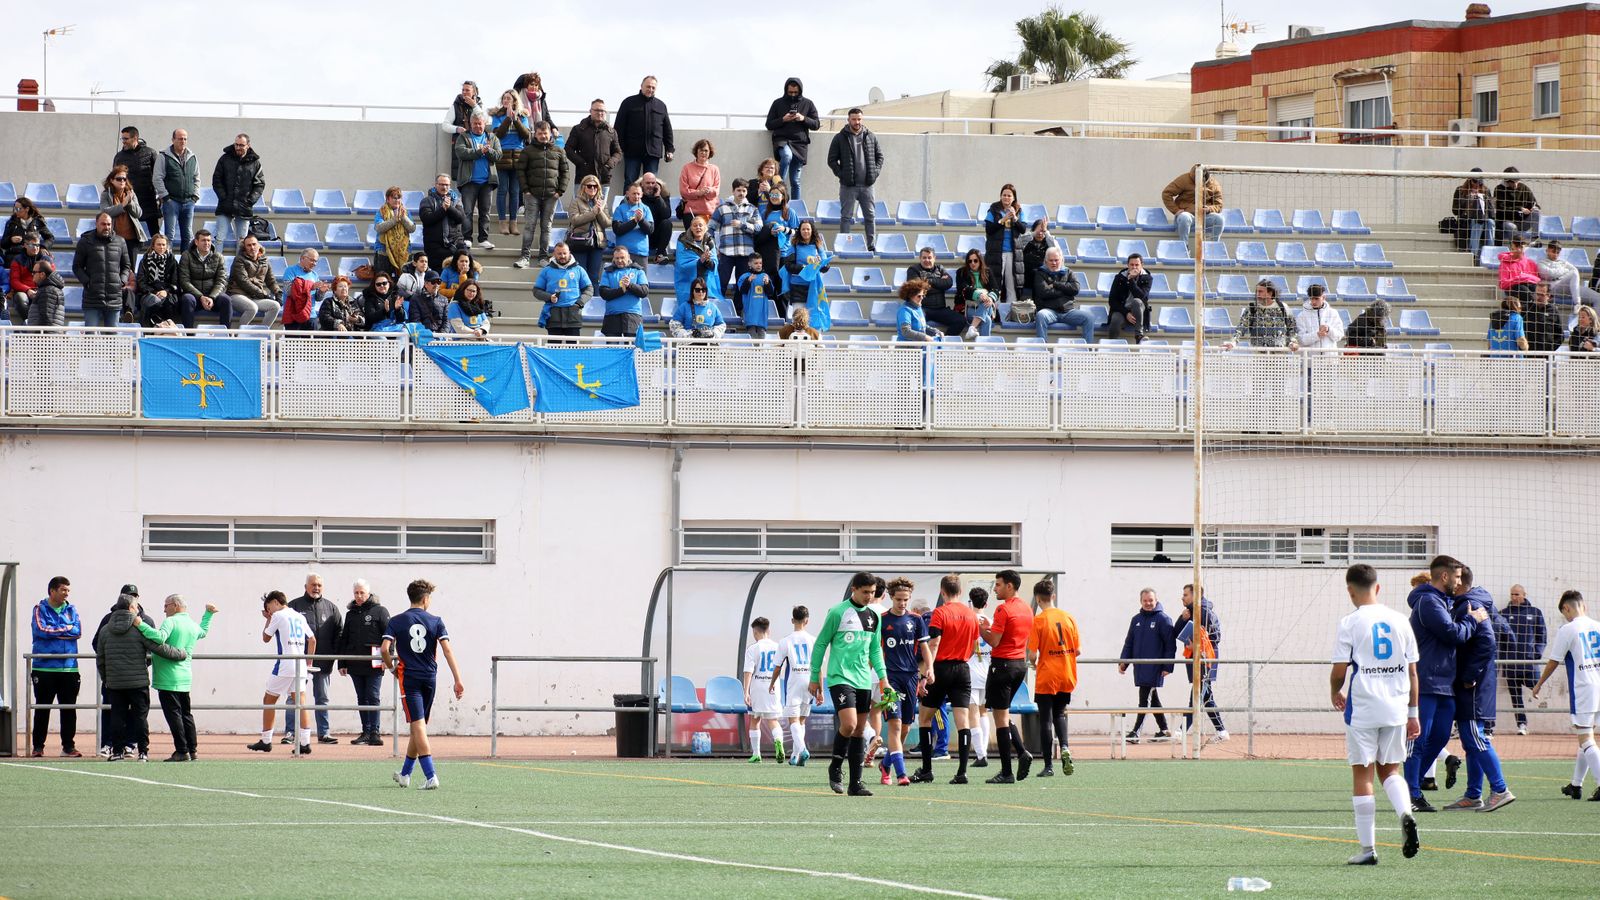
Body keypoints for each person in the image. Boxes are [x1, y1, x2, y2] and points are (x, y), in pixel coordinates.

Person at [1331, 563, 1422, 866]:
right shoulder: (1401, 620)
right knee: (1391, 771)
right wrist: (1413, 713)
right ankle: (1405, 813)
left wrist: (1334, 691)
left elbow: (1339, 670)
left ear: (1350, 591)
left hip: (1364, 708)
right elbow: (1413, 672)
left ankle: (1368, 850)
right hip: (1396, 708)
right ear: (1378, 588)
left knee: (1363, 773)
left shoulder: (1350, 622)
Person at [1403, 555, 1488, 812]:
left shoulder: (1444, 601)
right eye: (1457, 577)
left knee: (1440, 738)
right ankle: (1412, 794)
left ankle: (1410, 787)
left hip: (1445, 685)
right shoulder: (1429, 602)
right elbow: (1453, 634)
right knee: (1418, 740)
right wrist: (1473, 619)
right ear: (1444, 576)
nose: (1460, 582)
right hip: (1426, 683)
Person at [808, 572, 888, 796]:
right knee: (850, 724)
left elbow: (875, 649)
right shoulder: (837, 612)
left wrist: (883, 679)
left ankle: (856, 784)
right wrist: (814, 676)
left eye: (872, 592)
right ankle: (835, 766)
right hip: (840, 677)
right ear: (854, 589)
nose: (869, 596)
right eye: (865, 592)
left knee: (860, 730)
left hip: (863, 679)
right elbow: (821, 643)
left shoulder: (875, 615)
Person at [382, 579, 465, 790]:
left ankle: (430, 775)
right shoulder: (436, 621)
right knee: (418, 726)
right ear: (426, 599)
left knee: (417, 725)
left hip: (409, 678)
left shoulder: (397, 620)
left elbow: (384, 649)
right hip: (430, 677)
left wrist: (391, 668)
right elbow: (447, 650)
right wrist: (457, 679)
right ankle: (405, 774)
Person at [1444, 566, 1515, 812]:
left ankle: (1500, 789)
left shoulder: (1470, 604)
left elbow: (1487, 642)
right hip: (1474, 683)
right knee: (1470, 740)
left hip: (1474, 685)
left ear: (1459, 582)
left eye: (1453, 578)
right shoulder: (1470, 601)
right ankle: (1473, 794)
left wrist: (1469, 676)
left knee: (1475, 737)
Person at [96, 592, 187, 762]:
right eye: (136, 606)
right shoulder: (138, 629)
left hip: (115, 683)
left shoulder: (105, 630)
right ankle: (143, 752)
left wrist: (107, 679)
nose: (138, 610)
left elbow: (100, 659)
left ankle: (117, 752)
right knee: (140, 718)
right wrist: (180, 654)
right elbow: (159, 647)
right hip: (138, 683)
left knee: (117, 717)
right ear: (131, 608)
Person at [909, 578, 980, 784]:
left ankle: (926, 770)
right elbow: (975, 643)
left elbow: (934, 643)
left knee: (925, 718)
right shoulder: (971, 614)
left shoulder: (940, 612)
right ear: (961, 590)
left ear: (942, 591)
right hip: (963, 670)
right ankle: (962, 773)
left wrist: (926, 673)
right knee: (963, 721)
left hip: (941, 668)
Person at [1534, 591, 1600, 800]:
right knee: (1586, 736)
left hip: (1584, 689)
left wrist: (1539, 684)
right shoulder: (1598, 626)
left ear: (1566, 608)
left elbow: (1554, 661)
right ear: (1584, 605)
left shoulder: (1568, 629)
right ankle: (1576, 785)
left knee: (1586, 739)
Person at [134, 595, 215, 762]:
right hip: (185, 677)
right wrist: (208, 614)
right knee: (186, 714)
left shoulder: (170, 621)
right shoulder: (191, 624)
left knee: (174, 716)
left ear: (175, 605)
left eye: (166, 605)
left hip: (168, 678)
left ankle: (181, 750)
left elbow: (160, 637)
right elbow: (203, 632)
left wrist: (140, 624)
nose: (164, 609)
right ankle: (192, 750)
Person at [978, 570, 1033, 784]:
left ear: (1010, 586)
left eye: (998, 584)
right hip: (1019, 665)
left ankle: (1007, 771)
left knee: (1000, 720)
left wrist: (982, 629)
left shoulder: (1003, 609)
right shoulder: (1026, 608)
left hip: (1002, 666)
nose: (995, 588)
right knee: (1004, 714)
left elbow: (994, 641)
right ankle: (1021, 752)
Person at [875, 578, 930, 786]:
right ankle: (901, 774)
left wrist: (929, 669)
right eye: (899, 599)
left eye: (906, 599)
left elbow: (924, 648)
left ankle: (885, 764)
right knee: (895, 725)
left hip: (911, 678)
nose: (902, 603)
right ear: (891, 597)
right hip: (890, 679)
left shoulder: (916, 620)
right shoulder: (882, 620)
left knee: (905, 728)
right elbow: (874, 650)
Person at [248, 591, 315, 754]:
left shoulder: (278, 616)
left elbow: (266, 638)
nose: (269, 611)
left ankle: (266, 740)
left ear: (275, 602)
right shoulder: (299, 616)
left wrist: (268, 619)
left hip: (285, 664)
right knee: (301, 703)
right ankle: (305, 743)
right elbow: (312, 640)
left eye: (268, 607)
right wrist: (308, 663)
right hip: (300, 665)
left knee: (269, 700)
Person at [1027, 580, 1079, 777]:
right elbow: (1078, 650)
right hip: (1066, 673)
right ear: (1053, 596)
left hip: (1047, 675)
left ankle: (1048, 766)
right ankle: (1065, 746)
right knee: (1060, 713)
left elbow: (1032, 654)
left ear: (1038, 598)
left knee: (1045, 720)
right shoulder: (1068, 617)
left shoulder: (1039, 620)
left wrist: (1034, 662)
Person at [30, 576, 83, 758]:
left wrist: (56, 630)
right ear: (52, 591)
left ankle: (68, 747)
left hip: (69, 668)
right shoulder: (39, 609)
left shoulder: (72, 609)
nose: (66, 593)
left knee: (69, 709)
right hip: (44, 668)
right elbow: (41, 630)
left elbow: (77, 632)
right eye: (63, 590)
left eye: (68, 590)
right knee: (42, 708)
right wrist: (66, 629)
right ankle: (38, 746)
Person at [288, 573, 343, 746]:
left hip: (323, 662)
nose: (316, 588)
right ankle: (291, 733)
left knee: (322, 698)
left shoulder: (331, 608)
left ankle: (324, 733)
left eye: (319, 585)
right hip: (299, 662)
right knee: (294, 698)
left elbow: (339, 633)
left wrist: (332, 655)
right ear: (306, 587)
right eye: (313, 585)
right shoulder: (294, 606)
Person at [339, 579, 391, 746]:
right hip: (355, 663)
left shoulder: (380, 611)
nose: (359, 596)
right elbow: (344, 639)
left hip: (374, 662)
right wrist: (342, 663)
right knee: (361, 697)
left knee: (373, 696)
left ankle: (375, 732)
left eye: (362, 592)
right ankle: (366, 732)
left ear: (368, 593)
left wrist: (388, 657)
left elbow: (389, 636)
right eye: (356, 593)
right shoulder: (350, 614)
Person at [1119, 588, 1176, 742]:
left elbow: (1170, 645)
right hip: (1140, 667)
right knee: (1152, 698)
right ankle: (1164, 730)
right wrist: (1124, 662)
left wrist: (1168, 666)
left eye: (1151, 600)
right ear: (1141, 601)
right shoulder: (1136, 619)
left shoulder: (1163, 619)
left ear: (1156, 600)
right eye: (1145, 600)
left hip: (1155, 667)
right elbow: (1129, 643)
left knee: (1144, 699)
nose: (1148, 603)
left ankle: (1136, 732)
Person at [513, 120, 570, 269]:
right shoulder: (527, 150)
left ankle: (543, 257)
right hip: (532, 195)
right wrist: (526, 190)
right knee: (529, 226)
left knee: (547, 228)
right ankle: (524, 257)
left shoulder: (559, 151)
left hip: (551, 196)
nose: (543, 136)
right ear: (535, 135)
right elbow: (520, 171)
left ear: (550, 133)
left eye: (545, 133)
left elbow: (565, 172)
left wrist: (560, 191)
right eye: (540, 133)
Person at [1176, 584, 1227, 742]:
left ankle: (1181, 731)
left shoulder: (1205, 612)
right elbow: (1175, 633)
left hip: (1205, 661)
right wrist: (1182, 619)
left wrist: (1197, 646)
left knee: (1197, 695)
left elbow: (1215, 637)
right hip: (1195, 659)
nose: (1182, 598)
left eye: (1185, 595)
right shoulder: (1189, 613)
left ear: (1195, 595)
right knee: (1206, 696)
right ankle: (1222, 731)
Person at [828, 109, 883, 250]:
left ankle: (871, 246)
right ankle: (845, 246)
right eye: (854, 119)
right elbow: (831, 160)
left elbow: (880, 157)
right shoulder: (840, 138)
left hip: (867, 186)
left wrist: (875, 173)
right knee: (846, 217)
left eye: (859, 119)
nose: (857, 122)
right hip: (848, 186)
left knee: (870, 216)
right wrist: (842, 175)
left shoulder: (870, 136)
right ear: (848, 120)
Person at [769, 605, 816, 766]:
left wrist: (772, 683)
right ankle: (795, 756)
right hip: (810, 681)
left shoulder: (785, 641)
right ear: (807, 621)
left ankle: (802, 750)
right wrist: (820, 690)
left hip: (794, 682)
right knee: (801, 720)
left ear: (792, 620)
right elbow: (818, 666)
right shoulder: (813, 640)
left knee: (793, 720)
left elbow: (777, 667)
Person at [72, 212, 133, 328]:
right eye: (103, 224)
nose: (107, 227)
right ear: (96, 224)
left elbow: (126, 265)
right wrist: (88, 282)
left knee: (112, 336)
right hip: (92, 298)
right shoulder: (85, 242)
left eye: (109, 224)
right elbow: (77, 266)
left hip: (114, 298)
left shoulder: (120, 241)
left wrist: (122, 281)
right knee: (91, 335)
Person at [764, 78, 820, 201]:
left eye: (795, 92)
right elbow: (769, 124)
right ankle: (778, 184)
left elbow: (816, 124)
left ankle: (795, 206)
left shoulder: (808, 103)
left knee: (795, 180)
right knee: (786, 156)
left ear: (800, 91)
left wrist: (803, 118)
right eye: (790, 92)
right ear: (786, 90)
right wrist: (783, 119)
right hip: (782, 140)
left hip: (799, 144)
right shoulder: (778, 103)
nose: (793, 95)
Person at [1500, 584, 1546, 736]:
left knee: (1536, 684)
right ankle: (1522, 724)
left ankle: (1535, 690)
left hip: (1528, 663)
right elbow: (1499, 640)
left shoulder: (1535, 612)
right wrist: (1502, 659)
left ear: (1524, 595)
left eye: (1517, 594)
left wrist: (1536, 654)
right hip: (1510, 664)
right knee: (1516, 696)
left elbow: (1542, 635)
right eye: (1512, 594)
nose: (1514, 597)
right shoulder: (1503, 614)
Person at [453, 113, 502, 251]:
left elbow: (498, 155)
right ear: (470, 124)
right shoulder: (463, 137)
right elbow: (461, 153)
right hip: (469, 181)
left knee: (485, 212)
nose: (477, 126)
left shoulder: (492, 137)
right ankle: (467, 238)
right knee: (467, 211)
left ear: (484, 123)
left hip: (487, 181)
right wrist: (480, 151)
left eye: (480, 123)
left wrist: (488, 150)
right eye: (474, 123)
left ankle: (483, 239)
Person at [615, 77, 674, 187]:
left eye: (653, 87)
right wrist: (619, 149)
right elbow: (619, 127)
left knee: (651, 184)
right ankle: (628, 199)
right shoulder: (628, 103)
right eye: (648, 86)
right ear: (641, 86)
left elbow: (667, 129)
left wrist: (669, 149)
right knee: (630, 182)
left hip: (653, 152)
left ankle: (649, 200)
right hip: (632, 151)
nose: (650, 89)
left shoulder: (661, 105)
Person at [742, 617, 785, 764]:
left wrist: (746, 692)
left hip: (758, 688)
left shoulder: (753, 648)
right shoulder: (778, 647)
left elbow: (748, 671)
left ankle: (756, 754)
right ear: (769, 630)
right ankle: (778, 741)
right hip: (773, 687)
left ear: (755, 632)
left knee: (755, 719)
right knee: (773, 720)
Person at [212, 133, 264, 248]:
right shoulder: (224, 159)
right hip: (225, 205)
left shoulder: (255, 162)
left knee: (242, 241)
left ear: (248, 145)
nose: (238, 147)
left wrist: (250, 201)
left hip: (244, 207)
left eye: (241, 145)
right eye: (236, 144)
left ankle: (240, 261)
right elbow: (216, 180)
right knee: (219, 238)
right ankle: (216, 260)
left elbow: (259, 184)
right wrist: (223, 197)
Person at [489, 90, 531, 237]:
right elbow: (498, 135)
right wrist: (507, 119)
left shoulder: (523, 116)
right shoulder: (497, 116)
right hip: (503, 155)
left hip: (518, 156)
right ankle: (502, 222)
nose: (506, 100)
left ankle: (513, 222)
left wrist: (515, 120)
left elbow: (526, 135)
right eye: (504, 98)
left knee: (515, 191)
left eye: (509, 98)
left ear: (514, 101)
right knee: (502, 190)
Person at [711, 179, 758, 304]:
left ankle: (738, 310)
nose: (741, 193)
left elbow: (759, 227)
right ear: (733, 191)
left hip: (745, 253)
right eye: (738, 190)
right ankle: (718, 310)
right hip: (726, 252)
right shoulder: (722, 208)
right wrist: (713, 247)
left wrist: (742, 225)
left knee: (742, 285)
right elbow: (710, 228)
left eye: (744, 190)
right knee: (721, 283)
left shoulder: (752, 209)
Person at [153, 129, 200, 252]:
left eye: (185, 139)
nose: (182, 141)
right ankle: (168, 260)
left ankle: (185, 261)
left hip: (189, 202)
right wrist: (165, 197)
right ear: (173, 140)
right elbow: (157, 178)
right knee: (170, 236)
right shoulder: (163, 156)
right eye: (179, 139)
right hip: (171, 201)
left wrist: (195, 196)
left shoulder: (192, 157)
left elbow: (196, 178)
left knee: (188, 236)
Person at [532, 242, 592, 337]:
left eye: (564, 253)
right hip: (553, 315)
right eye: (559, 254)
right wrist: (549, 297)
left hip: (573, 315)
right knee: (554, 345)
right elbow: (536, 291)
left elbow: (589, 289)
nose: (562, 256)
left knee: (573, 346)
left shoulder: (579, 270)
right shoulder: (546, 271)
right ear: (554, 254)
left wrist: (579, 303)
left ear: (569, 253)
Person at [114, 125, 161, 244]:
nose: (123, 141)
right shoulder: (119, 156)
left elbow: (158, 175)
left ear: (135, 138)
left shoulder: (150, 153)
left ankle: (159, 252)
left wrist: (160, 195)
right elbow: (115, 178)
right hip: (129, 200)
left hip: (148, 199)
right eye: (122, 139)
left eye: (126, 139)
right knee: (130, 234)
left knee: (155, 234)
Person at [755, 185, 800, 309]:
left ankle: (782, 316)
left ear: (783, 196)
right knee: (769, 285)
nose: (774, 197)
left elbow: (797, 232)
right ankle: (769, 314)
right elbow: (758, 232)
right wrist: (769, 231)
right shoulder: (764, 213)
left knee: (782, 287)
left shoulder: (790, 212)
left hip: (784, 254)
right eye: (772, 194)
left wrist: (784, 229)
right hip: (769, 255)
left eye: (777, 194)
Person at [1034, 247, 1092, 342]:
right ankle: (1042, 348)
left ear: (1061, 260)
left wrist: (1056, 284)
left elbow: (1075, 289)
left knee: (1089, 317)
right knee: (1040, 315)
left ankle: (1087, 349)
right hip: (1049, 311)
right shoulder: (1040, 273)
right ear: (1046, 261)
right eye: (1051, 260)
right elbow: (1043, 293)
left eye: (1056, 260)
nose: (1054, 263)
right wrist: (1065, 292)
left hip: (1068, 311)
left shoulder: (1069, 272)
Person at [566, 99, 624, 194]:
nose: (600, 113)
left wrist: (609, 165)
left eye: (602, 111)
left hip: (603, 179)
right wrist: (582, 163)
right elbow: (568, 149)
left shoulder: (611, 132)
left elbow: (618, 153)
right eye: (597, 110)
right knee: (580, 204)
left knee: (600, 204)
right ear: (590, 111)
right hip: (583, 178)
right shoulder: (578, 129)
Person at [224, 234, 282, 328]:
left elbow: (271, 281)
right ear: (245, 247)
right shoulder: (239, 259)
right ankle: (241, 334)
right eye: (249, 245)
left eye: (254, 244)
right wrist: (264, 295)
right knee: (252, 308)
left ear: (258, 245)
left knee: (275, 306)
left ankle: (262, 334)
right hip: (237, 294)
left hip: (255, 297)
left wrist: (278, 293)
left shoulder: (265, 260)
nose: (252, 247)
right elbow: (244, 282)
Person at [782, 220, 831, 331]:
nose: (806, 231)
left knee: (814, 318)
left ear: (812, 230)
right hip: (798, 287)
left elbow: (826, 267)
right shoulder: (794, 246)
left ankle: (814, 340)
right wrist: (804, 268)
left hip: (813, 287)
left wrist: (820, 264)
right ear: (799, 231)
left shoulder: (818, 246)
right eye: (803, 229)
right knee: (798, 320)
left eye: (808, 229)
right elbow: (788, 265)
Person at [1224, 279, 1298, 350]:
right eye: (1256, 291)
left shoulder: (1283, 307)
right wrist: (1233, 342)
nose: (1257, 294)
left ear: (1270, 293)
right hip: (1258, 353)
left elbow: (1292, 327)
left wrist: (1293, 341)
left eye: (1260, 291)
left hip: (1280, 353)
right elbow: (1241, 327)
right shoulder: (1252, 308)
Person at [177, 229, 230, 328]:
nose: (207, 243)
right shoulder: (186, 255)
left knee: (226, 300)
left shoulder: (218, 257)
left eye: (209, 240)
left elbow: (221, 281)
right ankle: (188, 334)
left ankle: (225, 334)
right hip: (195, 297)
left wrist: (211, 297)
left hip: (212, 297)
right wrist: (201, 297)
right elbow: (184, 281)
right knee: (187, 299)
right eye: (203, 240)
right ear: (196, 242)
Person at [902, 247, 960, 338]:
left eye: (929, 257)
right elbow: (917, 288)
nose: (927, 260)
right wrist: (939, 284)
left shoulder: (940, 268)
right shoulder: (913, 269)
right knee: (916, 324)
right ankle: (925, 343)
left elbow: (948, 283)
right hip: (923, 309)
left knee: (960, 320)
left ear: (934, 258)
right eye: (924, 258)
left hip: (940, 309)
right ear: (920, 258)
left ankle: (943, 341)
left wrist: (929, 281)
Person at [983, 184, 1026, 305]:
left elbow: (1023, 229)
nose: (1006, 198)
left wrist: (1015, 218)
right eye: (1004, 195)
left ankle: (1011, 307)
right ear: (1000, 196)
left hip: (1013, 252)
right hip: (997, 252)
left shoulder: (1019, 210)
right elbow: (989, 230)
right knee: (996, 281)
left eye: (1009, 195)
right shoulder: (993, 209)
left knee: (1011, 281)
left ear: (1014, 198)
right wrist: (1003, 219)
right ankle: (994, 307)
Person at [565, 175, 611, 287]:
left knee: (594, 276)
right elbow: (575, 220)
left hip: (597, 243)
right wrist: (593, 213)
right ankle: (582, 298)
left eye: (595, 186)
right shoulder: (576, 202)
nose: (593, 188)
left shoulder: (601, 202)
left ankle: (595, 297)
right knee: (581, 275)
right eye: (589, 186)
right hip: (580, 241)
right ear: (583, 187)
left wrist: (599, 211)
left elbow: (607, 223)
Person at [1163, 166, 1224, 249]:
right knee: (1184, 217)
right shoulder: (1184, 179)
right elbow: (1166, 193)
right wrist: (1176, 210)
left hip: (1204, 217)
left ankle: (1213, 247)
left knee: (1219, 219)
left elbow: (1219, 205)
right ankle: (1184, 247)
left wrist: (1209, 209)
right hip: (1187, 215)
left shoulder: (1214, 184)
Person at [966, 585, 993, 768]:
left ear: (970, 601)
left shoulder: (968, 619)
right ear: (986, 603)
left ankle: (981, 754)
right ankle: (983, 752)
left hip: (971, 671)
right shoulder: (991, 621)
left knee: (973, 712)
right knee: (984, 712)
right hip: (987, 672)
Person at [597, 245, 649, 338]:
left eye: (622, 257)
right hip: (612, 315)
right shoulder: (607, 272)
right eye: (617, 258)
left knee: (631, 346)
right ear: (613, 258)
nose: (619, 260)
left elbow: (644, 291)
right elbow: (604, 293)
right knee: (612, 346)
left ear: (628, 257)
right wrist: (622, 290)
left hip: (632, 315)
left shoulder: (638, 271)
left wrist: (629, 285)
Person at [419, 174, 466, 269]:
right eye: (441, 184)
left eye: (447, 185)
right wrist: (443, 209)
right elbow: (427, 220)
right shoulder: (427, 201)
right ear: (436, 185)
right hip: (435, 245)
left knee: (467, 263)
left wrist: (449, 208)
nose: (444, 187)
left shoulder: (456, 200)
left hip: (455, 242)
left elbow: (461, 218)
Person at [135, 233, 180, 328]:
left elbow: (175, 283)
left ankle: (168, 330)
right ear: (153, 246)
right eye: (159, 244)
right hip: (148, 293)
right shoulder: (144, 261)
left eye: (163, 245)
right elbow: (141, 282)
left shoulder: (172, 261)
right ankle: (146, 330)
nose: (161, 247)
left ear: (167, 246)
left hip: (167, 293)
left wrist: (166, 292)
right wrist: (154, 292)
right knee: (152, 301)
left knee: (168, 303)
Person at [1537, 241, 1600, 307]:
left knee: (1598, 297)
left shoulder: (1563, 262)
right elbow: (1551, 274)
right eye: (1553, 252)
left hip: (1571, 288)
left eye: (1557, 253)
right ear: (1547, 250)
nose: (1555, 255)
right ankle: (1577, 304)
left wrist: (1562, 273)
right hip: (1553, 288)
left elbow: (1575, 269)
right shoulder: (1541, 263)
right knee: (1573, 273)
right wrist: (1566, 271)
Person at [99, 165, 146, 254]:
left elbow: (138, 213)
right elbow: (105, 212)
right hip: (114, 239)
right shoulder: (106, 195)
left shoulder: (130, 193)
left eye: (124, 179)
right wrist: (122, 205)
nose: (122, 181)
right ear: (112, 180)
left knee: (131, 263)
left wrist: (129, 202)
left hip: (132, 239)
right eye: (119, 179)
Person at [1107, 253, 1153, 342]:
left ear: (1141, 265)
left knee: (1137, 301)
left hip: (1139, 310)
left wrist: (1131, 280)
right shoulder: (1119, 278)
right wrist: (1126, 313)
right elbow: (1112, 301)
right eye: (1132, 265)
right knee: (1115, 319)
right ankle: (1111, 344)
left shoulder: (1147, 278)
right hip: (1122, 310)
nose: (1134, 267)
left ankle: (1139, 335)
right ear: (1128, 265)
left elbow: (1142, 296)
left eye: (1137, 265)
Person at [372, 186, 416, 278]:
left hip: (403, 252)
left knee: (403, 282)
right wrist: (394, 220)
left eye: (398, 197)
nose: (397, 200)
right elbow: (379, 228)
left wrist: (403, 217)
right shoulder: (382, 211)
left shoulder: (405, 212)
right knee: (384, 280)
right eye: (394, 197)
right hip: (384, 252)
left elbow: (412, 228)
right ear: (388, 199)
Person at [279, 247, 327, 332]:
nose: (314, 264)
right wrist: (310, 286)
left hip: (311, 316)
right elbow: (289, 291)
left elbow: (318, 298)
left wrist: (321, 291)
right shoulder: (290, 271)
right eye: (312, 260)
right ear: (302, 258)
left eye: (316, 261)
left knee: (312, 341)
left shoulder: (315, 275)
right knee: (293, 341)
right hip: (294, 315)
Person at [677, 139, 721, 230]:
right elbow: (683, 191)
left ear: (710, 152)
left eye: (706, 150)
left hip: (710, 212)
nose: (703, 153)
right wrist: (698, 193)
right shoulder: (687, 168)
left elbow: (716, 191)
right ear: (696, 151)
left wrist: (708, 190)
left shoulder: (714, 169)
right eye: (701, 150)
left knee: (708, 238)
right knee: (691, 238)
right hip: (691, 212)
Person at [1450, 169, 1494, 256]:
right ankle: (1474, 254)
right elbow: (1455, 210)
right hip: (1466, 221)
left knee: (1490, 222)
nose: (1477, 185)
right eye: (1475, 182)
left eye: (1479, 183)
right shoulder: (1460, 190)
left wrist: (1483, 200)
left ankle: (1490, 253)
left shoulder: (1486, 190)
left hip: (1483, 219)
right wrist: (1469, 200)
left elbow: (1491, 211)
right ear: (1469, 180)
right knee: (1477, 223)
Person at [1493, 166, 1540, 245]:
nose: (1515, 184)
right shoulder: (1499, 189)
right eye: (1513, 182)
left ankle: (1533, 240)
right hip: (1507, 221)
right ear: (1507, 181)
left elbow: (1534, 203)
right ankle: (1517, 245)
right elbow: (1501, 210)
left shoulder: (1524, 187)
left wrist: (1533, 208)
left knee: (1536, 212)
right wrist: (1519, 209)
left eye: (1517, 181)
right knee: (1511, 227)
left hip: (1522, 221)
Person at [612, 180, 655, 265]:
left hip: (641, 252)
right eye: (634, 193)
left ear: (642, 194)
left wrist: (641, 220)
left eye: (638, 194)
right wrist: (634, 221)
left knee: (641, 274)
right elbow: (617, 229)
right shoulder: (620, 209)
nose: (636, 196)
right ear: (627, 194)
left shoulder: (646, 209)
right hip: (623, 254)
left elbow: (650, 230)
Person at [3, 198, 55, 265]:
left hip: (34, 254)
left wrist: (42, 247)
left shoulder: (37, 222)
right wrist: (11, 240)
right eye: (14, 209)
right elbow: (3, 244)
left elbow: (50, 238)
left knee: (46, 259)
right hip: (16, 254)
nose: (15, 211)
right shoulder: (11, 223)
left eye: (18, 209)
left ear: (27, 209)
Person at [735, 254, 776, 339]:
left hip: (762, 313)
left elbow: (771, 293)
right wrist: (748, 281)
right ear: (749, 264)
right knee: (752, 336)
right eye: (756, 263)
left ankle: (761, 348)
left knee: (762, 336)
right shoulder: (745, 276)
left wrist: (767, 284)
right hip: (750, 312)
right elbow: (742, 291)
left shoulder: (765, 276)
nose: (759, 265)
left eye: (760, 263)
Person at [639, 172, 674, 265]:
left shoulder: (663, 196)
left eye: (653, 183)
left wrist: (658, 197)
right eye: (648, 183)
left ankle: (660, 254)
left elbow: (666, 215)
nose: (651, 185)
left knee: (667, 223)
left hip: (656, 235)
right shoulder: (636, 195)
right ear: (642, 184)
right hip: (641, 234)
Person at [1296, 283, 1345, 350]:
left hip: (1329, 355)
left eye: (1317, 299)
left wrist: (1329, 330)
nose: (1313, 302)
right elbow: (1301, 340)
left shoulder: (1333, 313)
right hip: (1311, 356)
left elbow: (1339, 335)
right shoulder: (1302, 316)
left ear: (1323, 297)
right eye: (1311, 299)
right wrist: (1317, 335)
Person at [24, 257, 67, 327]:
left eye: (34, 272)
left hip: (44, 333)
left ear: (42, 274)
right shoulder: (48, 289)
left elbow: (46, 319)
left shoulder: (47, 291)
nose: (32, 274)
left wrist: (39, 333)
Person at [1497, 237, 1539, 308]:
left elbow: (1537, 280)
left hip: (1529, 289)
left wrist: (1523, 277)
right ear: (1512, 247)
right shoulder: (1505, 263)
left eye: (1521, 247)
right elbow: (1502, 284)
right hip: (1513, 289)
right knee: (1522, 289)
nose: (1519, 250)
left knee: (1533, 288)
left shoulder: (1531, 263)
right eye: (1516, 247)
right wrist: (1519, 278)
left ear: (1525, 247)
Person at [1522, 282, 1564, 353]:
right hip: (1527, 354)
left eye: (1542, 295)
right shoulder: (1526, 309)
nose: (1538, 297)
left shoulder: (1553, 311)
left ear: (1548, 295)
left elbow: (1560, 335)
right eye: (1537, 294)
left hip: (1546, 355)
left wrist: (1550, 349)